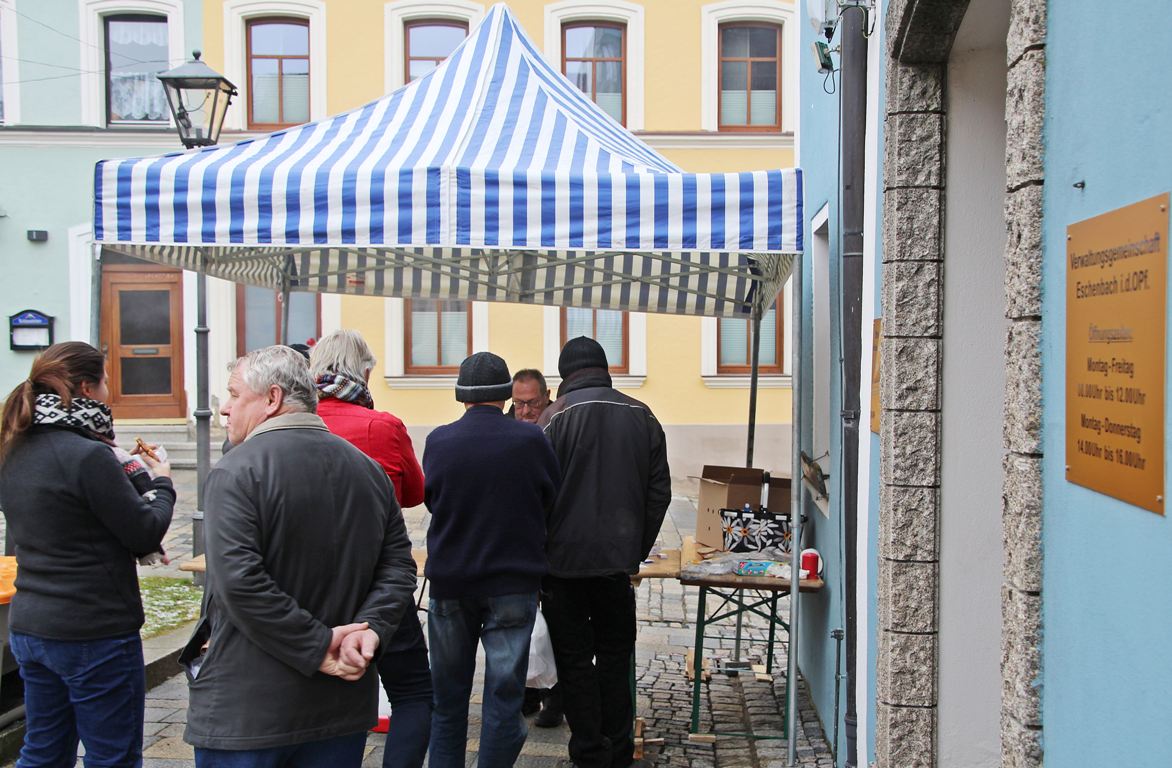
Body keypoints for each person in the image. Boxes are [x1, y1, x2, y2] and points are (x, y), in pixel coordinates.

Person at [182, 346, 418, 767]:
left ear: (272, 399)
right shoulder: (367, 469)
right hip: (339, 706)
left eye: (234, 395)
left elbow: (240, 584)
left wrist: (324, 643)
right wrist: (370, 632)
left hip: (251, 714)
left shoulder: (236, 471)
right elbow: (398, 566)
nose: (225, 409)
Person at [0, 341, 175, 767]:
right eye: (106, 383)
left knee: (43, 751)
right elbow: (143, 530)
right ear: (86, 388)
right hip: (93, 631)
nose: (109, 393)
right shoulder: (88, 455)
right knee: (112, 757)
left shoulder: (12, 447)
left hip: (30, 627)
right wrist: (163, 482)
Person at [538, 337, 672, 768]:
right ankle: (617, 749)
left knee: (574, 661)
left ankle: (588, 752)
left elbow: (534, 496)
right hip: (616, 567)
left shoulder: (551, 419)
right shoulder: (642, 415)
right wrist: (635, 549)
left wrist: (544, 548)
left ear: (565, 375)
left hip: (561, 568)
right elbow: (659, 493)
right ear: (603, 368)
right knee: (615, 657)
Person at [423, 352, 561, 768]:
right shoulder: (530, 440)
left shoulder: (439, 440)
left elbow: (433, 500)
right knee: (503, 698)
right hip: (512, 583)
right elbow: (550, 497)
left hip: (452, 581)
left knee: (447, 699)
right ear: (505, 396)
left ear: (462, 396)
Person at [309, 330, 431, 768]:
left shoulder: (294, 424)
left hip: (313, 589)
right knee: (414, 692)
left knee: (326, 698)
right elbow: (416, 493)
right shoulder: (384, 426)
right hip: (381, 583)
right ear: (363, 373)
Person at [509, 369, 562, 728]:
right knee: (521, 625)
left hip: (554, 542)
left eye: (533, 403)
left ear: (547, 397)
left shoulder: (557, 426)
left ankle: (555, 699)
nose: (526, 411)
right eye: (519, 404)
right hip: (519, 545)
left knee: (555, 624)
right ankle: (525, 693)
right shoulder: (508, 433)